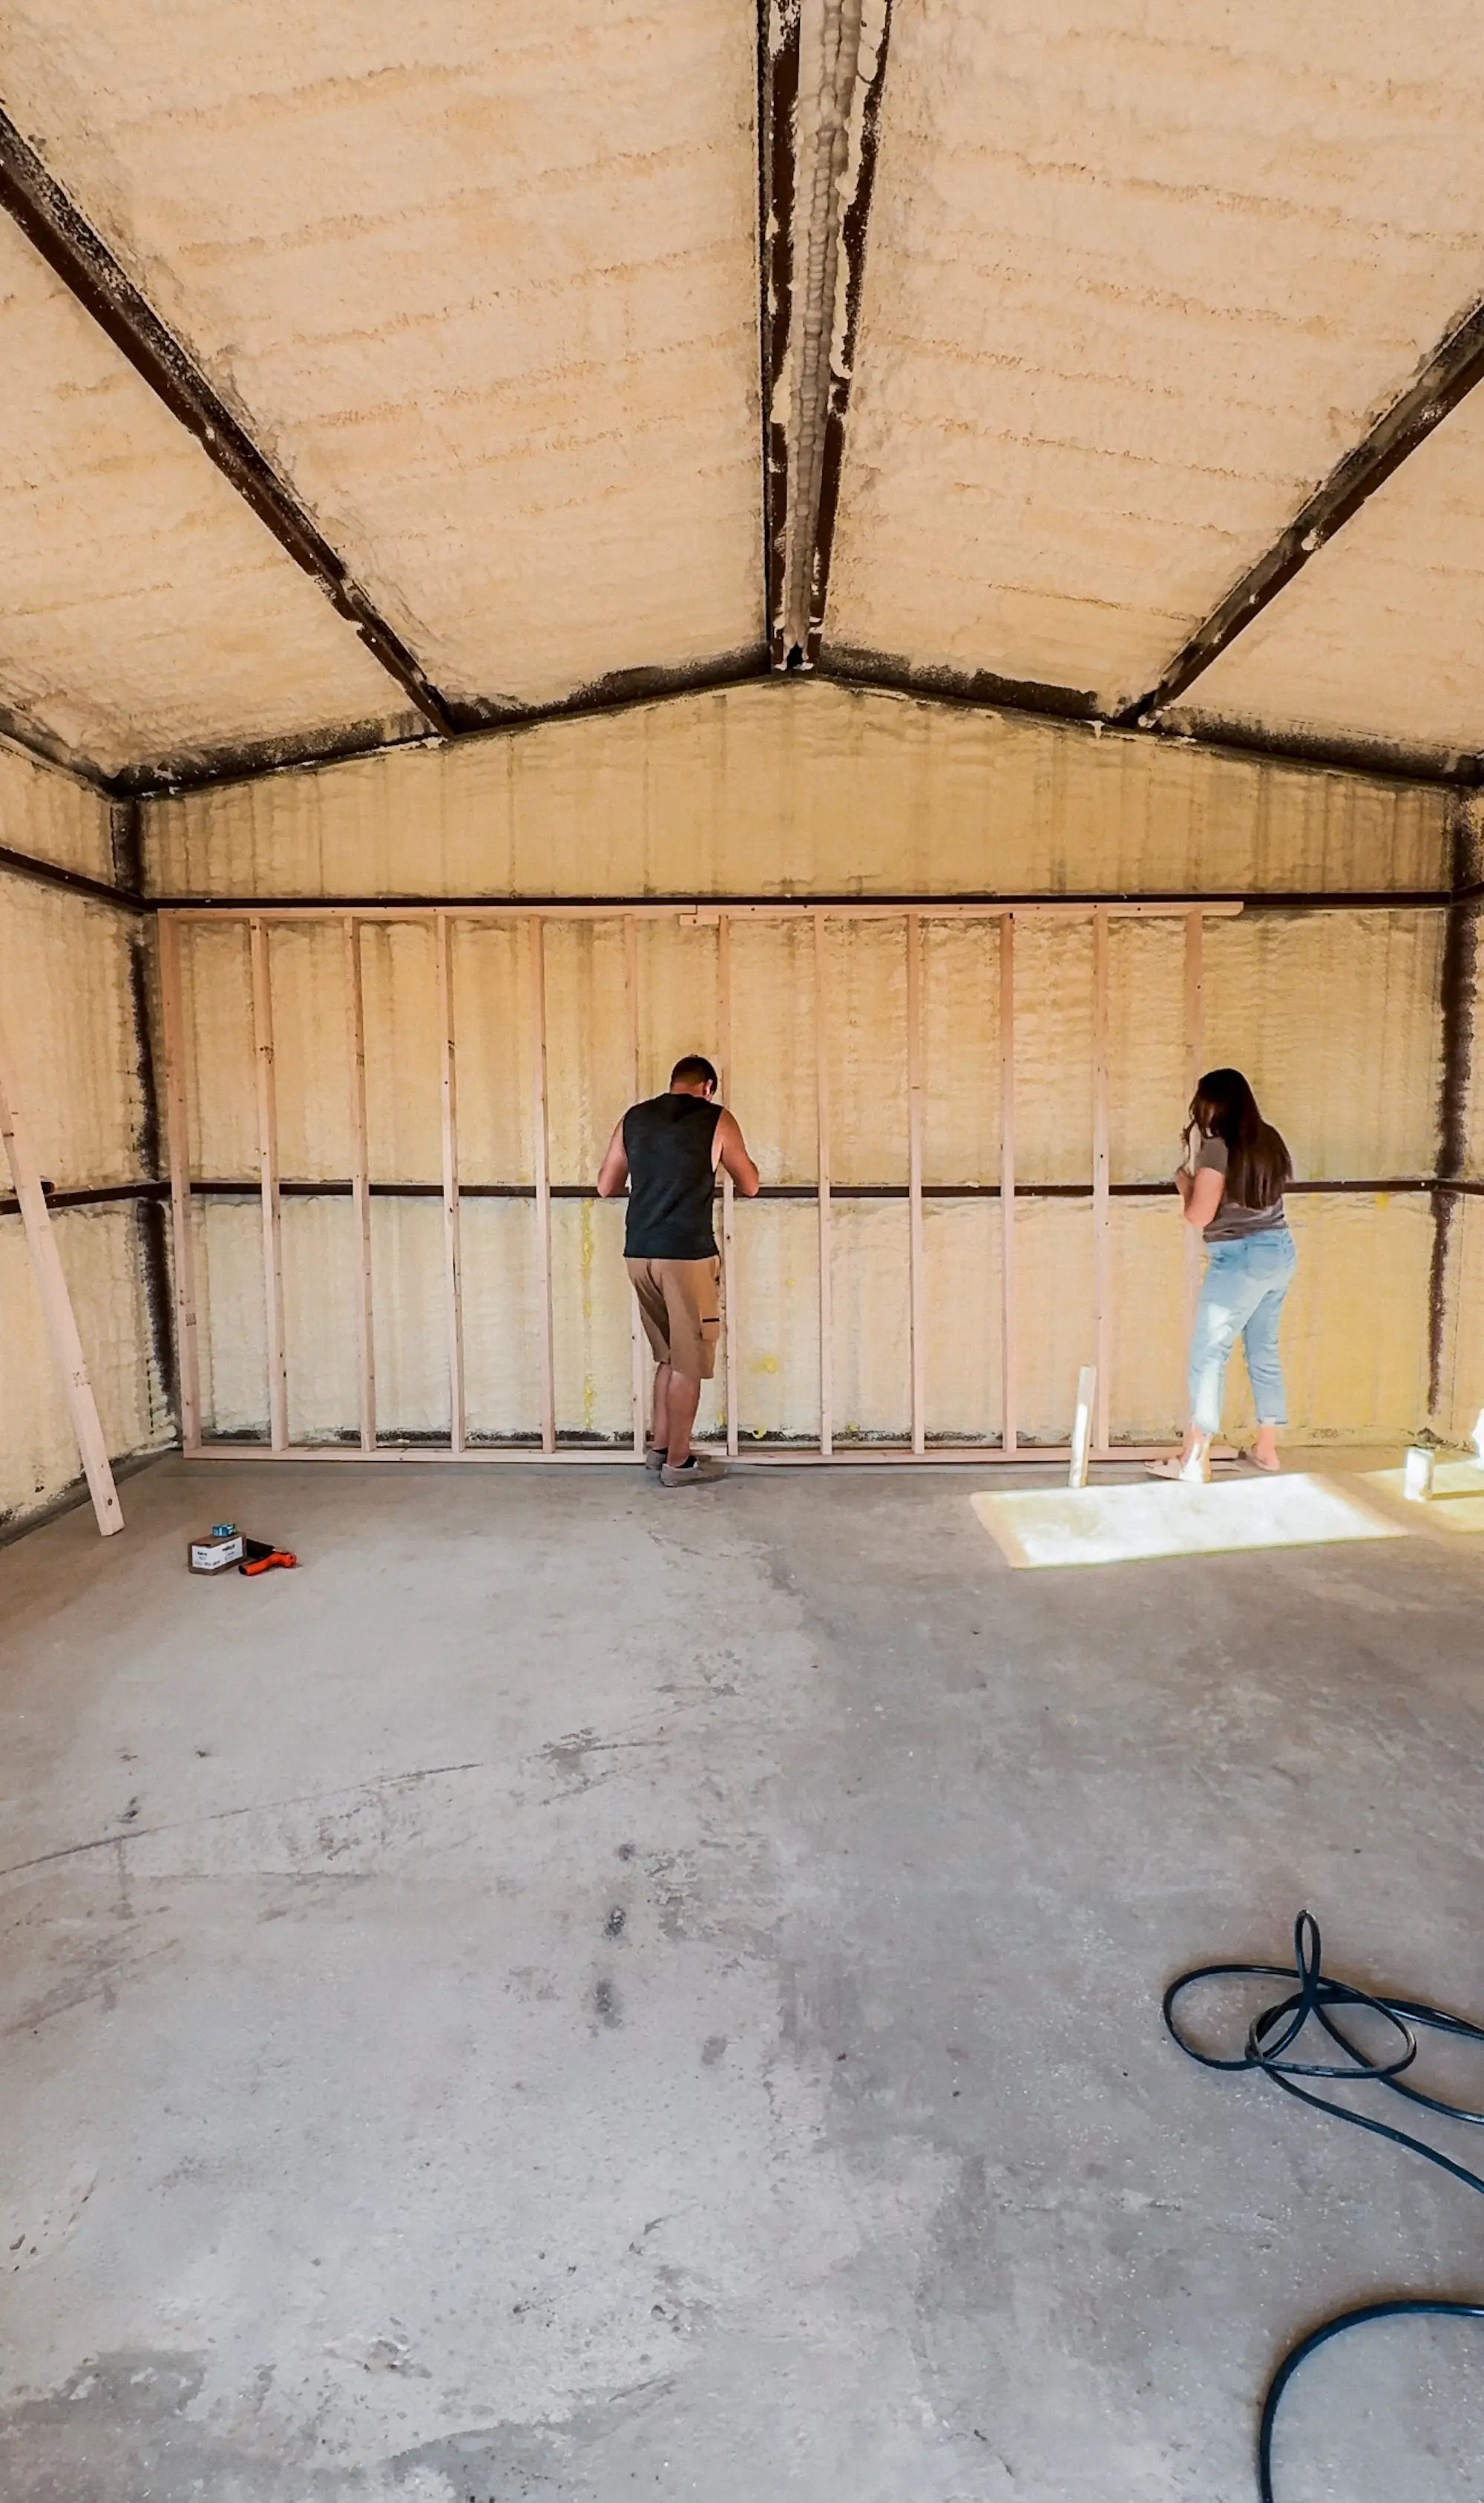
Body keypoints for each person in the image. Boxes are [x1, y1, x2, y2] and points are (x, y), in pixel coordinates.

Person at [596, 1055, 760, 1486]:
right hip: (686, 1255)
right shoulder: (717, 1119)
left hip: (640, 1253)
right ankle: (679, 1465)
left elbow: (605, 1185)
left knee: (668, 1356)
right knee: (689, 1363)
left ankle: (660, 1450)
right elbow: (751, 1184)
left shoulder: (634, 1118)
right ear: (708, 1086)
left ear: (673, 1084)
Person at [1147, 1067, 1296, 1485]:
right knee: (1263, 1351)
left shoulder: (1217, 1147)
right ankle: (1266, 1450)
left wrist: (1184, 1185)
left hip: (1240, 1259)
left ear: (1215, 1104)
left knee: (1208, 1355)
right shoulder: (1270, 1138)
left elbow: (1198, 1216)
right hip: (1280, 1252)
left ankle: (1195, 1457)